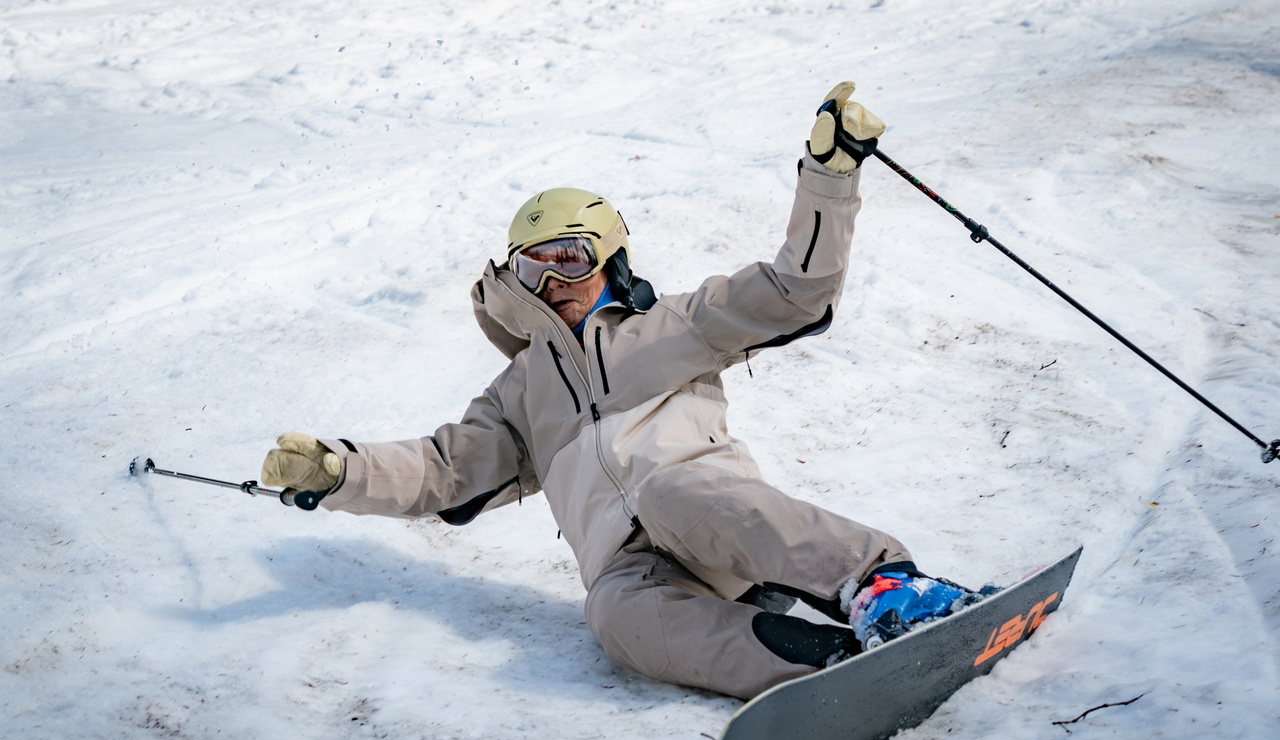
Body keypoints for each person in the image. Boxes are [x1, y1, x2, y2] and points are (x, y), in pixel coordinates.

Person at [260, 82, 982, 700]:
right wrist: (340, 470)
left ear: (610, 258)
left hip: (714, 521)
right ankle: (817, 664)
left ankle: (886, 586)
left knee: (671, 493)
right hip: (635, 566)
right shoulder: (521, 391)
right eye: (532, 267)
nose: (554, 282)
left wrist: (828, 178)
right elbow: (444, 471)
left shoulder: (675, 325)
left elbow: (797, 289)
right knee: (612, 613)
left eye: (570, 257)